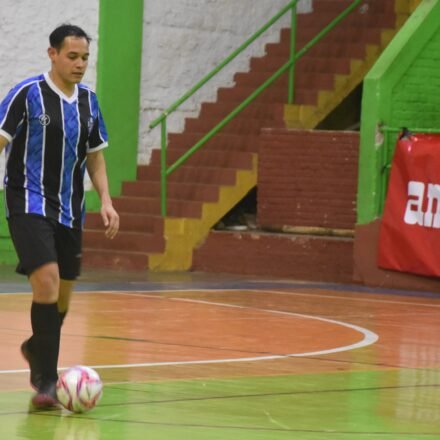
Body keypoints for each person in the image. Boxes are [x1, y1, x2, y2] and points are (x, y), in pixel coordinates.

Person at [0, 24, 119, 408]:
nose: (80, 64)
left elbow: (96, 158)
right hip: (28, 203)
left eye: (85, 57)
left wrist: (106, 200)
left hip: (71, 209)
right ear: (52, 54)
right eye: (72, 56)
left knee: (63, 295)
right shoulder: (26, 94)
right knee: (47, 281)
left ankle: (37, 347)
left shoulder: (89, 102)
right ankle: (47, 383)